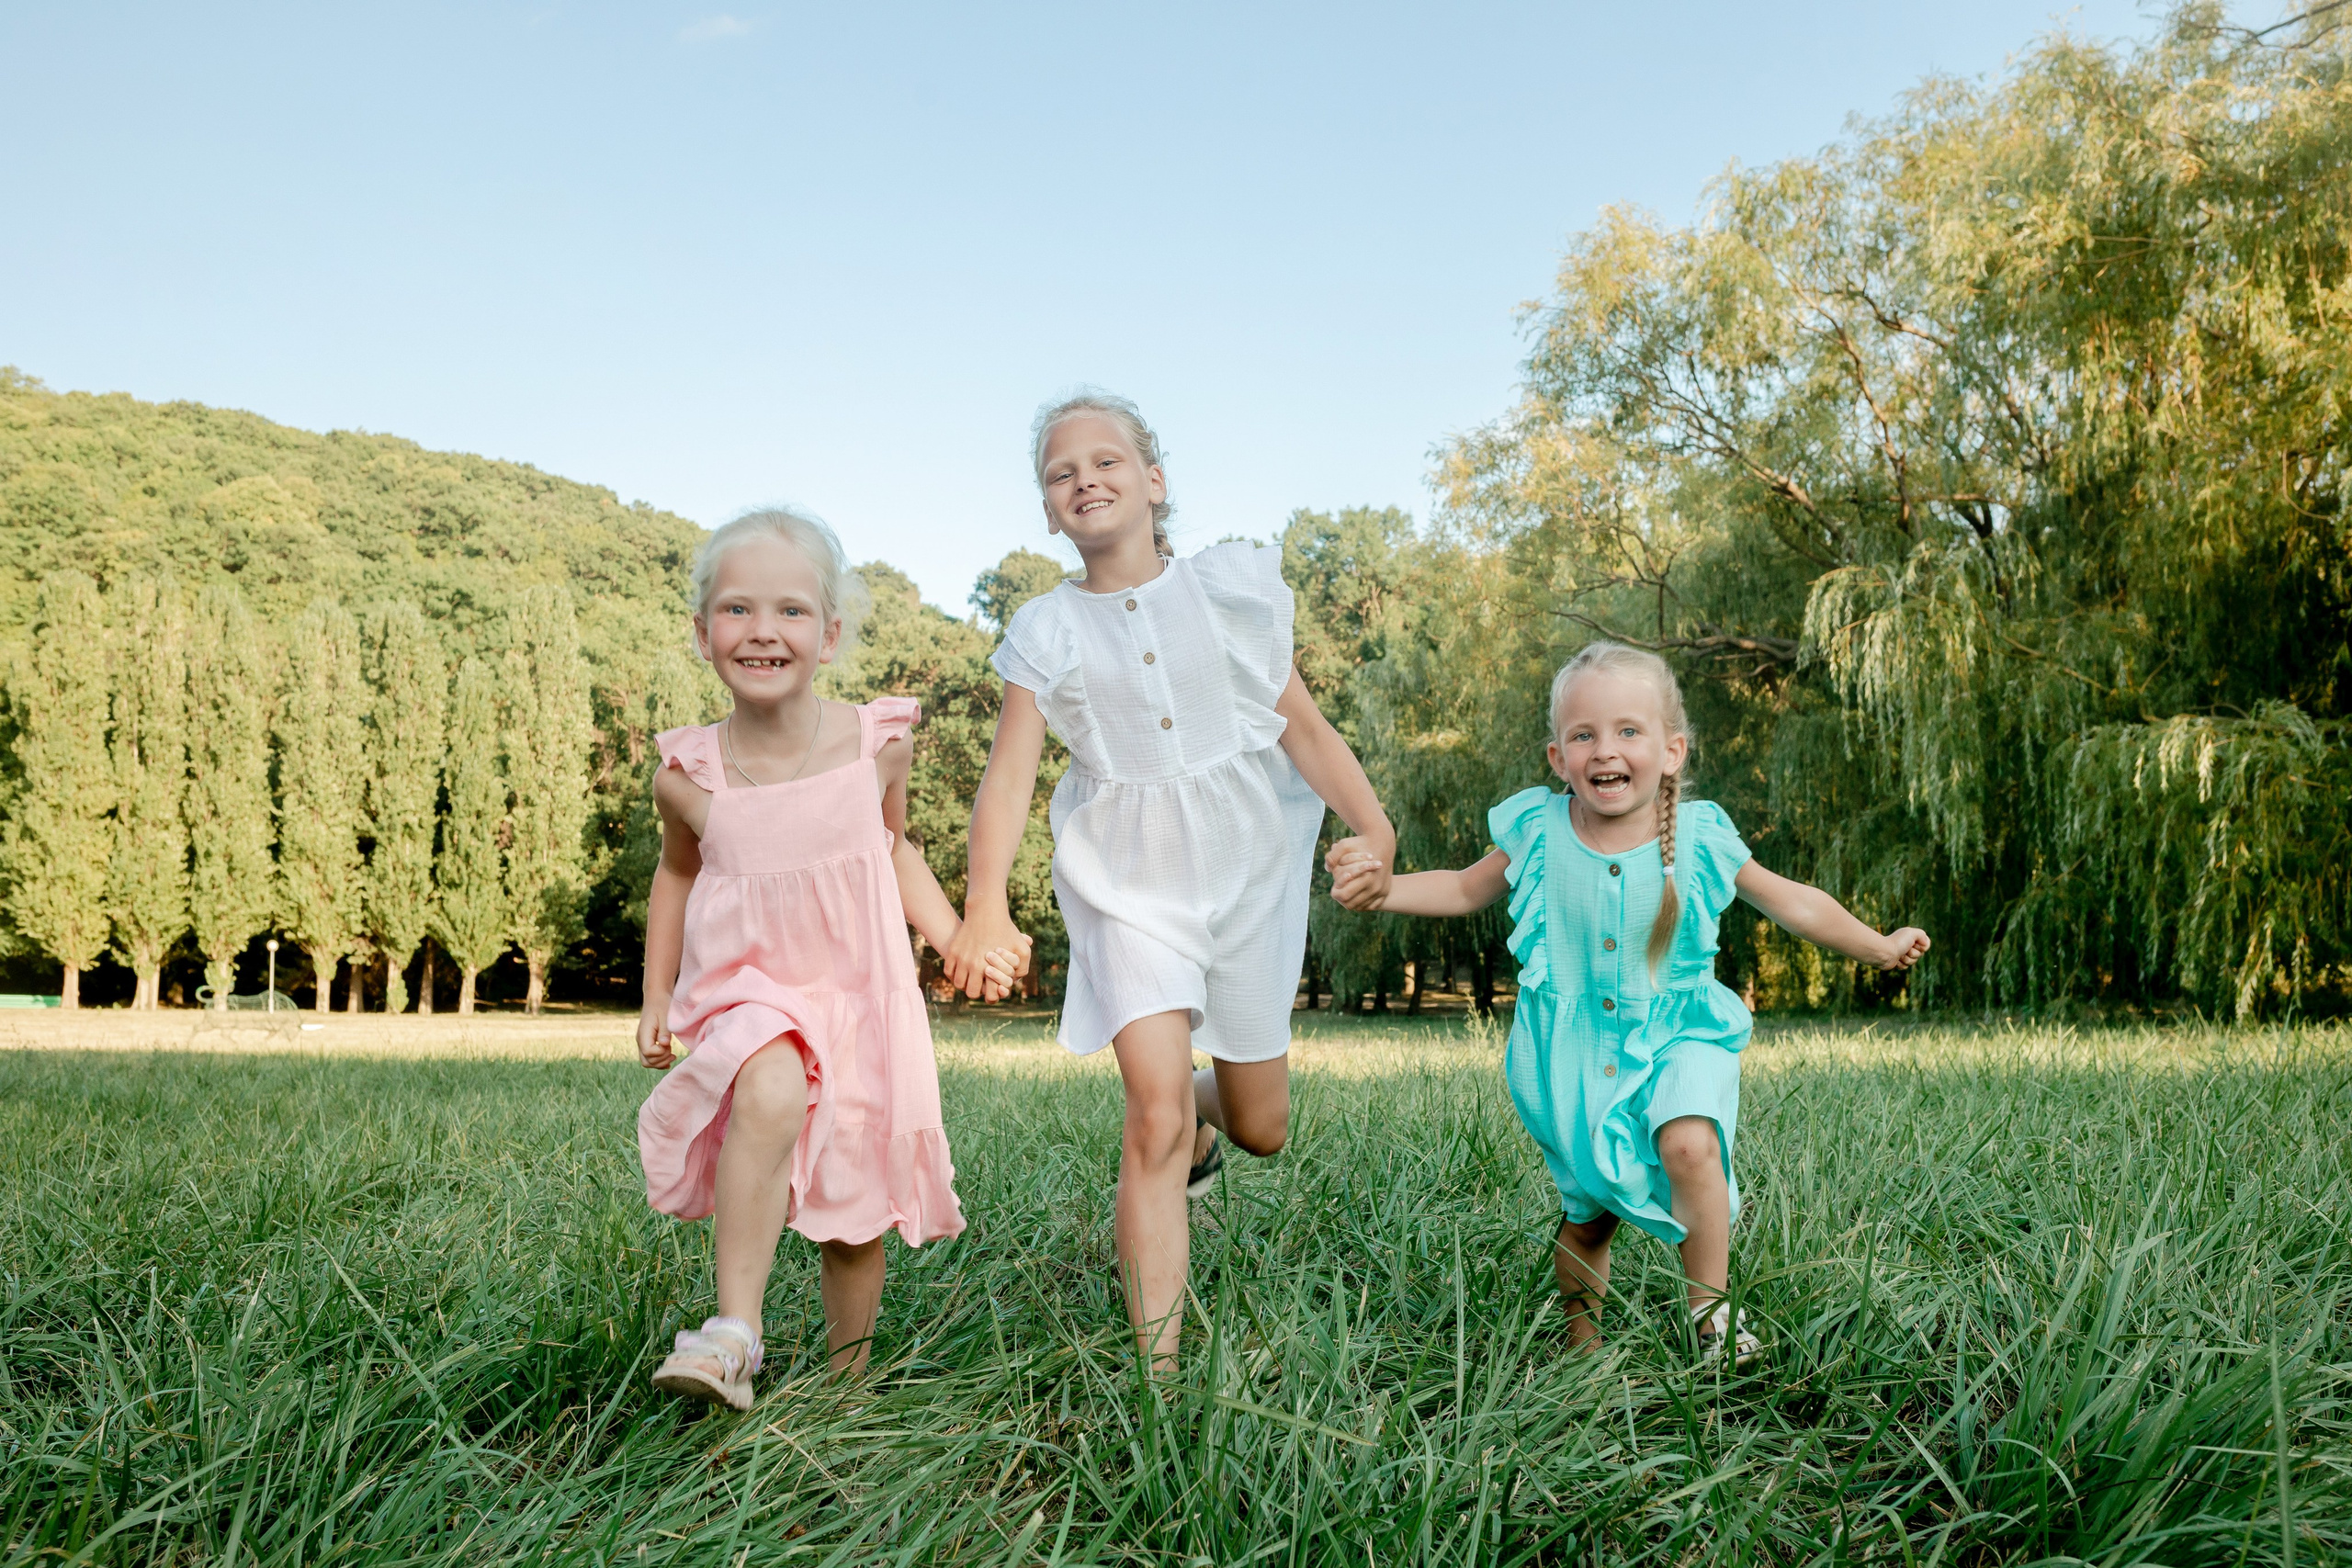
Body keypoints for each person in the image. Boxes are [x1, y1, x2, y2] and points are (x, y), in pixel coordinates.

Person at [944, 391, 1396, 1368]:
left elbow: (1307, 733)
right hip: (1124, 881)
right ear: (1048, 508)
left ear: (1154, 481)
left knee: (1263, 1127)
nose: (1085, 480)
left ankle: (1202, 1114)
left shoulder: (1227, 594)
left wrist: (1375, 827)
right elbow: (1009, 778)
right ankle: (1157, 1377)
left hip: (1242, 872)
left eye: (1106, 461)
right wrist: (983, 904)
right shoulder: (1046, 629)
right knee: (1149, 1113)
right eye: (1061, 473)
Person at [1328, 640, 1928, 1364]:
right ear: (1558, 758)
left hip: (1679, 1030)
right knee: (1590, 1219)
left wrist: (1876, 944)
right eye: (1584, 734)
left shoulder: (1701, 836)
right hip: (1574, 1059)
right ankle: (1585, 1352)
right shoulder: (1539, 831)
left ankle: (1712, 1315)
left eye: (1628, 731)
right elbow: (1461, 887)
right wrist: (1384, 890)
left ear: (1672, 751)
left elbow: (1794, 902)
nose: (1605, 749)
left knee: (1690, 1142)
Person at [636, 507, 1023, 1410]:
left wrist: (954, 937)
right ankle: (734, 1333)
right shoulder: (687, 775)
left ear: (831, 633)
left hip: (857, 995)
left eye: (791, 611)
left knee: (854, 1211)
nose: (762, 630)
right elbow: (676, 874)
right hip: (749, 991)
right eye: (736, 609)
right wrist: (656, 992)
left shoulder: (876, 746)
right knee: (770, 1082)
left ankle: (847, 1391)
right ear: (701, 631)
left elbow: (891, 851)